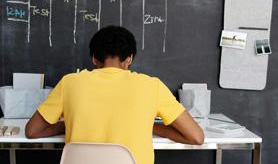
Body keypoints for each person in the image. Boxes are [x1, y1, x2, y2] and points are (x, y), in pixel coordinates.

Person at [25, 26, 204, 164]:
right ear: (129, 59)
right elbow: (196, 137)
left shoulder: (69, 82)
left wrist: (68, 124)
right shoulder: (152, 86)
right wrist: (150, 126)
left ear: (94, 58)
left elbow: (32, 131)